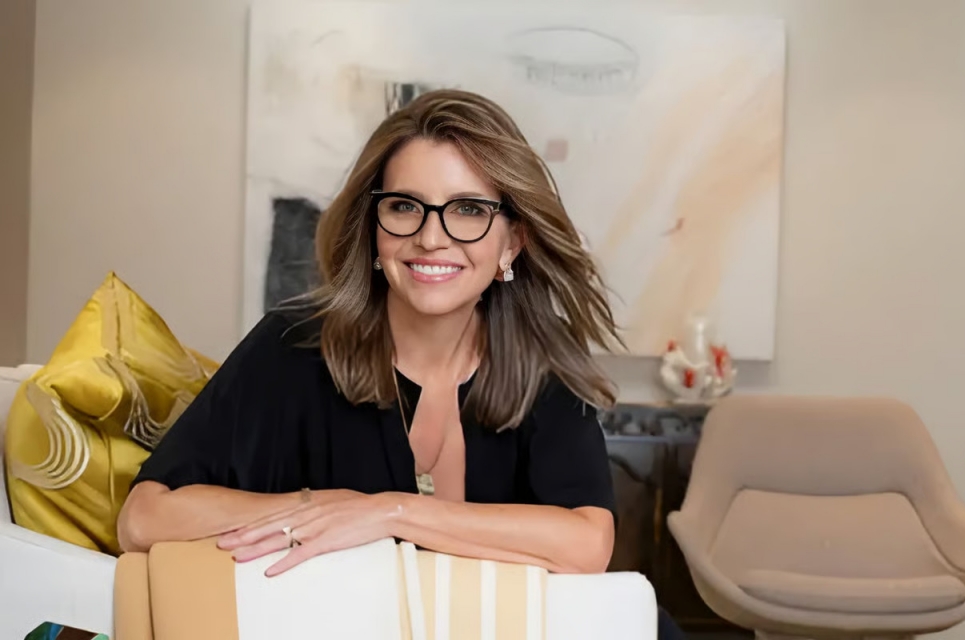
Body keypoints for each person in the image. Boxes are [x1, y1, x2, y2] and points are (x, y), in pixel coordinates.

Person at [116, 89, 686, 638]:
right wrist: (317, 506)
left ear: (511, 245)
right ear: (373, 230)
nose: (431, 237)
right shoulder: (291, 347)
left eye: (468, 210)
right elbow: (145, 518)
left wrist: (389, 515)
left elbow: (588, 543)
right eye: (404, 206)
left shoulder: (546, 359)